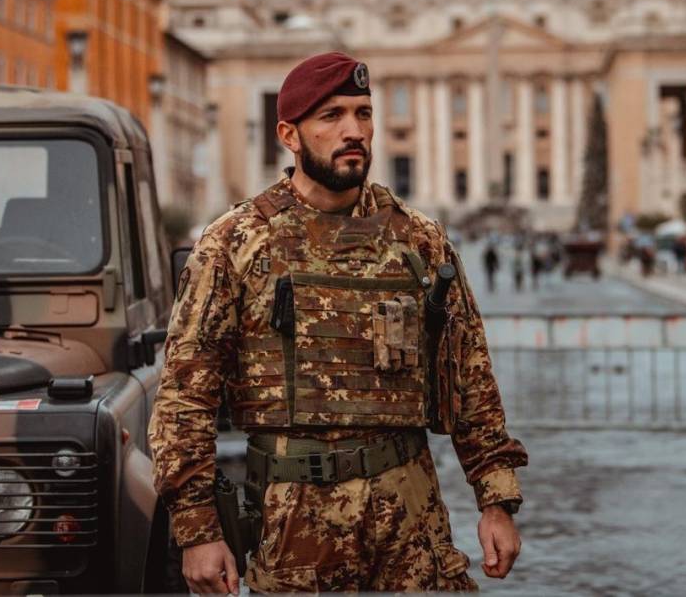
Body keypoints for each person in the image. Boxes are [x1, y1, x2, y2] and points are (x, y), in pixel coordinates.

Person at [149, 52, 526, 594]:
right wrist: (196, 529)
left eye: (363, 113)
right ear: (290, 134)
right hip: (297, 526)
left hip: (411, 521)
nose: (354, 131)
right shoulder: (235, 242)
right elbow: (184, 395)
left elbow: (470, 375)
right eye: (331, 117)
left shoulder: (419, 239)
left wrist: (496, 499)